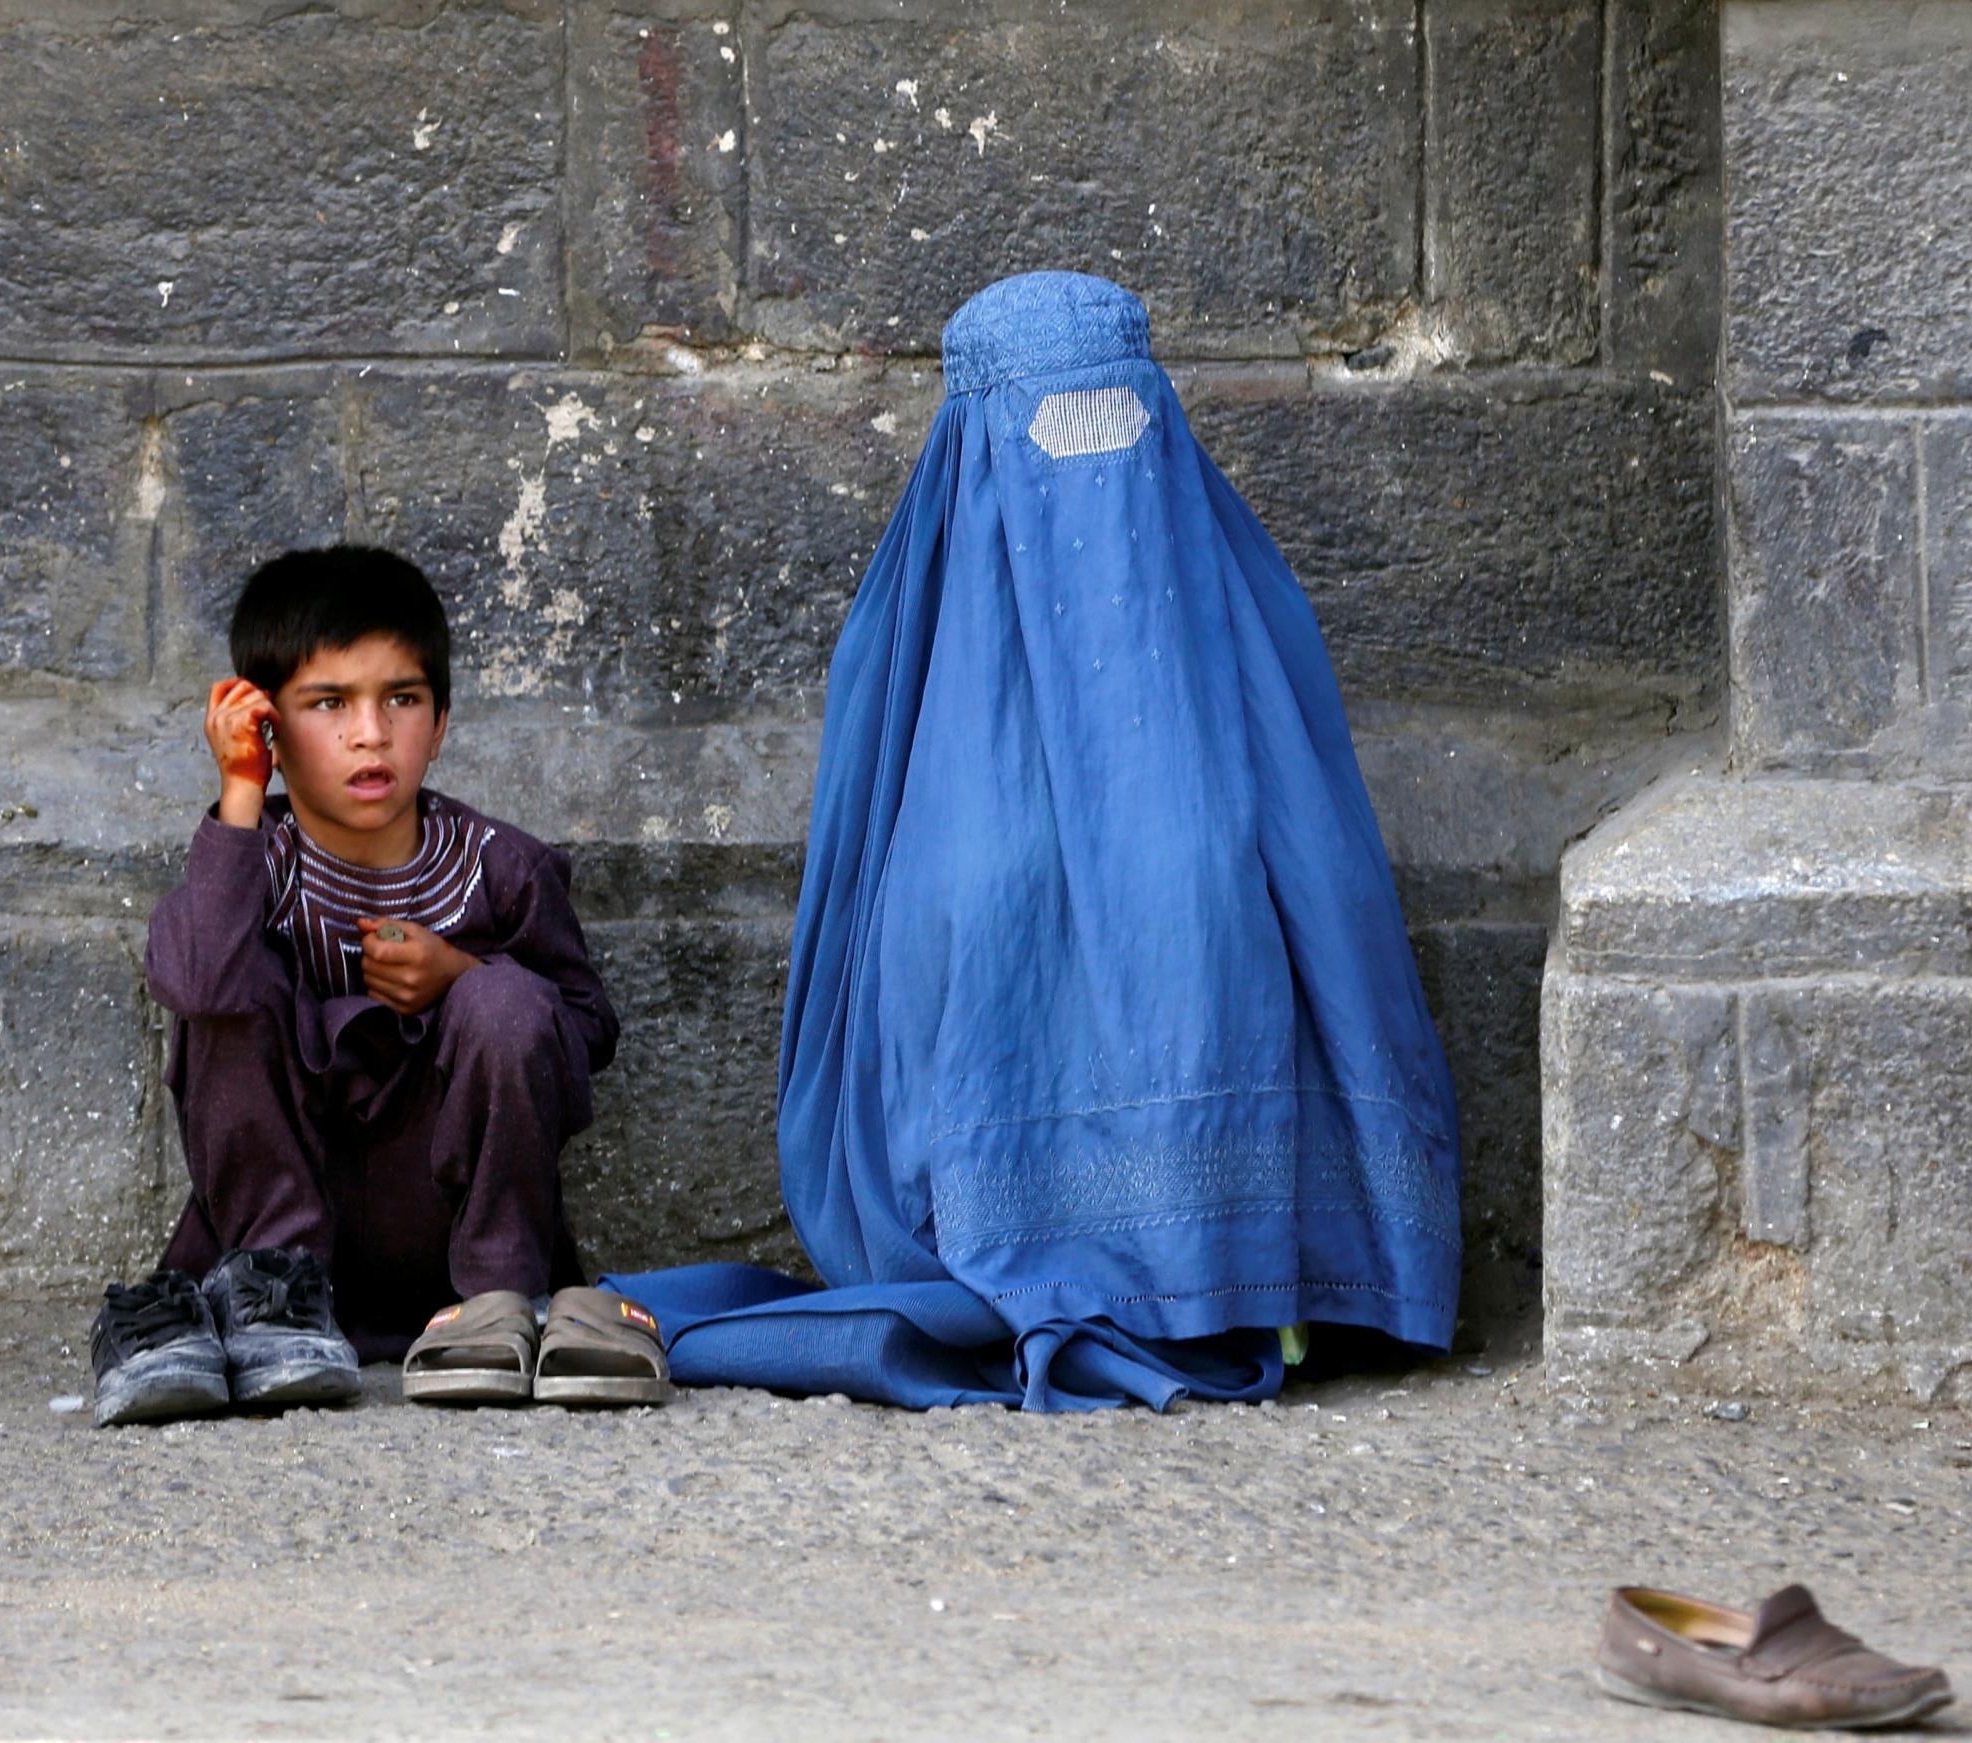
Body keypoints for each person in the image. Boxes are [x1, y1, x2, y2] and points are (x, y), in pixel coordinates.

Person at [605, 272, 1463, 1410]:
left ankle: (1237, 1271)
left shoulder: (1243, 642)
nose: (1091, 482)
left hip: (1241, 1259)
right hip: (970, 1145)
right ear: (976, 454)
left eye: (1117, 423)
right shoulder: (912, 673)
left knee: (1198, 886)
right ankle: (1023, 1244)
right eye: (1055, 436)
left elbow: (1332, 918)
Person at [87, 545, 663, 1427]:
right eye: (329, 703)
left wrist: (462, 976)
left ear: (438, 724)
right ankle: (278, 1294)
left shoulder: (497, 870)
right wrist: (239, 793)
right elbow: (198, 980)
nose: (370, 732)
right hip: (273, 1277)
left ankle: (497, 1299)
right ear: (268, 728)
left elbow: (588, 1029)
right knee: (228, 979)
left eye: (402, 699)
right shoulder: (256, 862)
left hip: (458, 1267)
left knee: (507, 999)